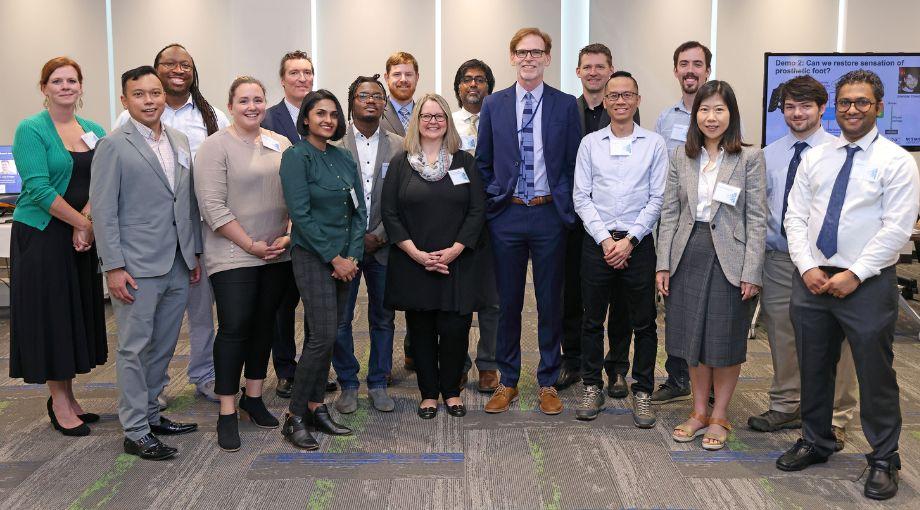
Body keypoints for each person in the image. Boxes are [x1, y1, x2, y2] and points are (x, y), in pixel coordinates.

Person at [777, 70, 919, 501]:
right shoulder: (817, 157)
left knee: (875, 373)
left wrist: (855, 273)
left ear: (878, 106)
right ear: (833, 108)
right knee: (813, 365)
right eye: (844, 102)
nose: (851, 109)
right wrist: (805, 266)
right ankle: (816, 440)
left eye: (861, 102)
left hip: (868, 282)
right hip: (814, 278)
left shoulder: (896, 160)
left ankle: (883, 457)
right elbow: (795, 217)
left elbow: (896, 230)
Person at [91, 66, 202, 460]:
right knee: (134, 349)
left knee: (165, 345)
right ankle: (135, 429)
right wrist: (113, 267)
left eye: (155, 93)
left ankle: (153, 412)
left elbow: (183, 202)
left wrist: (194, 254)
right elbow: (103, 212)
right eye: (139, 94)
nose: (150, 100)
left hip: (177, 260)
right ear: (125, 101)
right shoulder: (112, 145)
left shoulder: (178, 139)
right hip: (135, 266)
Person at [114, 43, 230, 404]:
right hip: (153, 237)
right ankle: (153, 388)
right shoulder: (127, 123)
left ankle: (204, 374)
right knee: (152, 322)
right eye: (169, 64)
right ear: (156, 69)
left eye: (186, 65)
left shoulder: (212, 117)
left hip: (201, 229)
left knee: (201, 310)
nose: (178, 70)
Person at [656, 80, 766, 451]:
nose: (711, 117)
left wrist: (752, 271)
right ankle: (699, 411)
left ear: (731, 114)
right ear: (695, 114)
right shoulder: (682, 157)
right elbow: (670, 213)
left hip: (730, 258)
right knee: (691, 336)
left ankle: (720, 416)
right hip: (688, 252)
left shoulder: (749, 158)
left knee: (724, 336)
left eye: (719, 109)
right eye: (704, 109)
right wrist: (663, 263)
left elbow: (756, 219)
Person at [479, 27, 582, 415]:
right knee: (507, 302)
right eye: (522, 52)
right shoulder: (494, 104)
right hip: (506, 215)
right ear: (512, 57)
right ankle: (507, 380)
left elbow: (573, 164)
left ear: (547, 58)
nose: (528, 58)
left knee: (550, 301)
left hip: (547, 214)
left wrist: (564, 203)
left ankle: (548, 381)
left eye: (536, 52)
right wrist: (494, 194)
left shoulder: (565, 104)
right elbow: (484, 161)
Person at [751, 75, 858, 451]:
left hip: (828, 261)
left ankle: (836, 417)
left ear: (822, 108)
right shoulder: (770, 153)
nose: (797, 114)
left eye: (805, 106)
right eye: (790, 107)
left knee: (836, 340)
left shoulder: (840, 150)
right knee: (782, 335)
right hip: (781, 258)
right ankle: (786, 405)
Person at [194, 76, 293, 451]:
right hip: (234, 254)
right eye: (243, 101)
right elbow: (212, 207)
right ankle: (227, 410)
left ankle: (254, 398)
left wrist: (289, 235)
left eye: (257, 100)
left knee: (265, 326)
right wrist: (250, 244)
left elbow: (296, 196)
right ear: (231, 105)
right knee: (234, 328)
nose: (252, 106)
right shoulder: (214, 147)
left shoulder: (279, 143)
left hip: (276, 252)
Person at [9, 57, 107, 437]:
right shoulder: (31, 129)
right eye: (56, 80)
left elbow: (102, 179)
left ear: (81, 87)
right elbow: (37, 187)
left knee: (73, 313)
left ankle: (69, 396)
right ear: (44, 87)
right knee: (51, 315)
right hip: (43, 234)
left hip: (80, 234)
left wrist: (88, 221)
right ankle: (60, 402)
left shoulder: (94, 129)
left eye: (72, 80)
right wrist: (82, 224)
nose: (65, 86)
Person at [381, 93, 494, 419]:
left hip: (457, 262)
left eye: (439, 116)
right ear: (417, 121)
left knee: (456, 330)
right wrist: (415, 253)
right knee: (422, 332)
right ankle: (429, 394)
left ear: (447, 122)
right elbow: (389, 213)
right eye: (427, 116)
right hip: (414, 262)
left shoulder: (464, 162)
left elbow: (477, 210)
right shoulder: (402, 162)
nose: (433, 121)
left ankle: (452, 392)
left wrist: (456, 248)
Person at [573, 71, 667, 427]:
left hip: (638, 244)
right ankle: (592, 384)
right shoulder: (590, 143)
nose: (620, 101)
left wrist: (629, 241)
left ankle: (642, 390)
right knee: (592, 320)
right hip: (597, 242)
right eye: (614, 96)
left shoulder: (654, 144)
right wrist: (605, 240)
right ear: (605, 101)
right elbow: (581, 196)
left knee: (643, 322)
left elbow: (657, 197)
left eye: (628, 95)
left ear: (638, 100)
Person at [279, 90, 365, 450]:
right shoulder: (295, 157)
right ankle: (295, 416)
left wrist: (353, 257)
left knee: (326, 332)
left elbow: (359, 210)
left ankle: (316, 406)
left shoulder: (344, 157)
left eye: (332, 114)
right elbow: (300, 214)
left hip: (346, 260)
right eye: (320, 114)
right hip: (314, 256)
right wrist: (335, 258)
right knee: (323, 336)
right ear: (306, 119)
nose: (328, 120)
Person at [562, 43, 638, 396]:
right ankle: (573, 360)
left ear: (611, 71)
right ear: (578, 72)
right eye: (586, 67)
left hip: (618, 228)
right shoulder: (565, 111)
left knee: (621, 302)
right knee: (573, 297)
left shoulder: (627, 116)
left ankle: (617, 368)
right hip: (573, 223)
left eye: (600, 67)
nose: (593, 72)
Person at [260, 50, 337, 398]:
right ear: (283, 79)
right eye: (294, 73)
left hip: (315, 230)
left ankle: (314, 368)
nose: (302, 78)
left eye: (307, 72)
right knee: (283, 305)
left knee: (317, 306)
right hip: (281, 225)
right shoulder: (266, 118)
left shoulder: (323, 115)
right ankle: (287, 370)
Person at [331, 74, 403, 414]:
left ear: (384, 104)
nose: (371, 100)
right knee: (341, 320)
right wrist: (354, 237)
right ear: (352, 102)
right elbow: (328, 199)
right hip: (345, 247)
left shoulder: (400, 144)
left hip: (384, 244)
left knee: (383, 318)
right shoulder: (333, 144)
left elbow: (402, 198)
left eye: (377, 96)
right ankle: (347, 383)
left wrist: (382, 234)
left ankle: (377, 382)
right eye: (363, 95)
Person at [651, 40, 713, 405]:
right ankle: (677, 377)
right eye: (684, 64)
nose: (690, 70)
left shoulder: (722, 111)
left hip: (710, 225)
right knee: (673, 303)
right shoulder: (666, 118)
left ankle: (711, 377)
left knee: (711, 306)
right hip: (672, 223)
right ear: (676, 70)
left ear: (707, 69)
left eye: (698, 64)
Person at [451, 58, 500, 393]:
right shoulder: (448, 122)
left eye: (480, 80)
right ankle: (458, 363)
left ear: (489, 87)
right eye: (467, 80)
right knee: (459, 296)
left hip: (496, 218)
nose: (473, 85)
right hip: (455, 219)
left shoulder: (499, 120)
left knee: (493, 298)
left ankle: (488, 364)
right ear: (458, 88)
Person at [380, 51, 419, 137]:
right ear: (387, 78)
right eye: (397, 74)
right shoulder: (376, 114)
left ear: (417, 78)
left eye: (408, 74)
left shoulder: (426, 115)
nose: (403, 80)